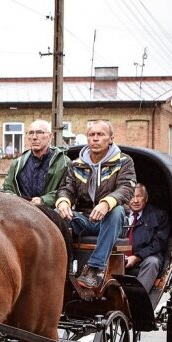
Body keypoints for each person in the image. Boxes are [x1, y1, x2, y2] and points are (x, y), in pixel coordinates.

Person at [56, 120, 136, 289]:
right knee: (57, 216)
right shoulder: (76, 164)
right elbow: (67, 189)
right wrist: (63, 202)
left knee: (117, 211)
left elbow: (126, 188)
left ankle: (95, 268)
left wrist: (106, 203)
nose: (95, 139)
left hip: (114, 222)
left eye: (100, 135)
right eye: (91, 135)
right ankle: (60, 267)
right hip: (86, 219)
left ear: (111, 138)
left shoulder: (124, 161)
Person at [2, 119, 69, 207]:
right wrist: (15, 199)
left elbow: (67, 190)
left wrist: (43, 200)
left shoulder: (63, 163)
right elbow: (7, 188)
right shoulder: (18, 163)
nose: (34, 137)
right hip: (22, 214)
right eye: (30, 133)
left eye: (39, 132)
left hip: (51, 215)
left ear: (50, 136)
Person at [125, 184, 170, 295]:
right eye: (132, 196)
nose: (135, 200)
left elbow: (159, 242)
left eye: (139, 196)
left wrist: (137, 257)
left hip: (146, 257)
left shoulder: (159, 215)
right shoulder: (120, 214)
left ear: (146, 198)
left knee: (152, 262)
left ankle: (138, 300)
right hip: (121, 257)